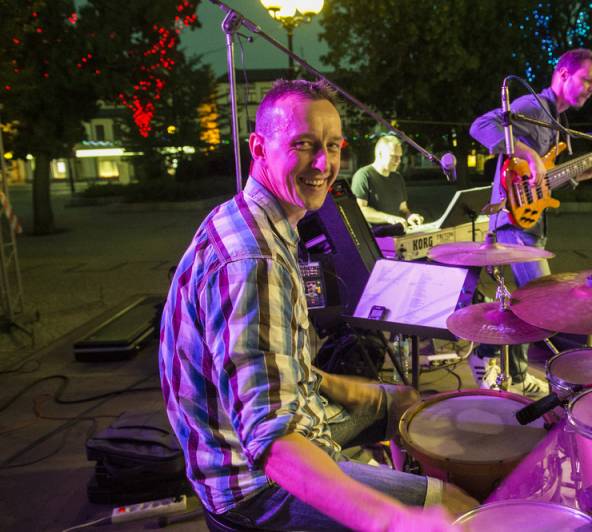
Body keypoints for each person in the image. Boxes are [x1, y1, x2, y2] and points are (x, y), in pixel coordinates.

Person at [159, 79, 476, 531]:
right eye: (304, 145)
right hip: (251, 485)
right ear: (259, 148)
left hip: (287, 425)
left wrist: (358, 391)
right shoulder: (254, 261)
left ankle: (396, 480)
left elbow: (277, 366)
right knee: (458, 507)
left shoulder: (255, 219)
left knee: (405, 403)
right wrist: (390, 518)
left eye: (332, 146)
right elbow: (273, 442)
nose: (325, 164)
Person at [468, 48, 592, 396]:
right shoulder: (533, 107)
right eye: (587, 80)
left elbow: (548, 179)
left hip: (531, 223)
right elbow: (480, 126)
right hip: (513, 221)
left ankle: (514, 373)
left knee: (524, 302)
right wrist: (529, 154)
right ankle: (484, 353)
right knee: (542, 299)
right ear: (563, 74)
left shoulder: (558, 123)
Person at [351, 135, 424, 230]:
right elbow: (359, 210)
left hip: (397, 233)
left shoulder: (397, 177)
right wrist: (389, 218)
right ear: (380, 154)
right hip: (374, 235)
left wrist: (409, 216)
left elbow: (403, 209)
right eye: (393, 156)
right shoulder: (363, 175)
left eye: (400, 157)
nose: (398, 161)